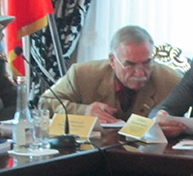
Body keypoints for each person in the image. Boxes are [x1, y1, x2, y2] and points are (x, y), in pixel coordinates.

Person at [37, 25, 181, 123]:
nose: (140, 72)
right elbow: (45, 103)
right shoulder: (82, 75)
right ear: (112, 61)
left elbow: (184, 123)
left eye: (147, 63)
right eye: (130, 64)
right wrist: (84, 111)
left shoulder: (171, 81)